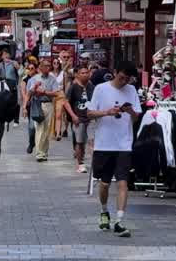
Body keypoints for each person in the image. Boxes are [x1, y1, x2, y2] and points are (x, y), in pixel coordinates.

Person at [87, 61, 142, 238]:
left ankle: (119, 220)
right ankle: (104, 211)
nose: (124, 81)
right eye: (121, 77)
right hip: (104, 144)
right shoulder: (101, 89)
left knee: (123, 182)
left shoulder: (132, 90)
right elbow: (89, 113)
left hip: (124, 144)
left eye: (127, 79)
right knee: (104, 183)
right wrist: (107, 112)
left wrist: (130, 111)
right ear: (115, 72)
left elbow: (136, 118)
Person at [25, 59, 62, 161]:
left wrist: (45, 92)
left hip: (48, 104)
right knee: (40, 129)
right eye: (45, 66)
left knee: (47, 129)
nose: (48, 68)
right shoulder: (34, 79)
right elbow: (29, 92)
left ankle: (44, 152)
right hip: (37, 104)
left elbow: (56, 93)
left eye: (49, 66)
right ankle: (39, 153)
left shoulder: (52, 79)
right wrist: (24, 107)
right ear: (40, 67)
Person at [65, 65, 93, 173]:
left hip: (91, 119)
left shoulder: (92, 87)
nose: (85, 75)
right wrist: (73, 116)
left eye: (87, 73)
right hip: (79, 118)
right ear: (77, 75)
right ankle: (80, 163)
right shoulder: (74, 87)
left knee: (92, 141)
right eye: (83, 73)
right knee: (80, 142)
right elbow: (66, 102)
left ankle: (94, 163)